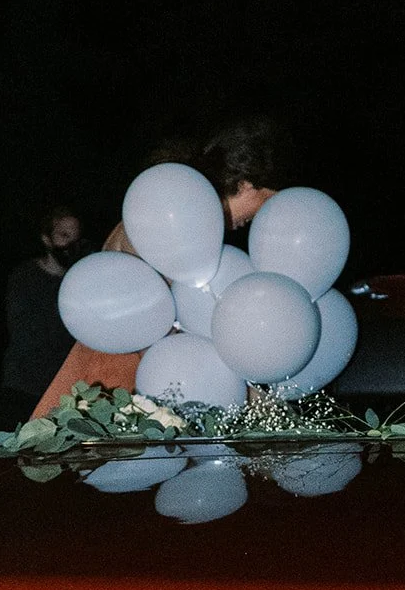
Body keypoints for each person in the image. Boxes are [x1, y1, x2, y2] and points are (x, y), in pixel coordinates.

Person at [28, 116, 297, 418]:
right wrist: (247, 395)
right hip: (125, 373)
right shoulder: (180, 221)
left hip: (142, 366)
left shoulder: (186, 216)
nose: (259, 216)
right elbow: (156, 326)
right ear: (246, 184)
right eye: (266, 199)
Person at [0, 206, 91, 431]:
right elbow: (25, 331)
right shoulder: (25, 277)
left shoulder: (83, 278)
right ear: (47, 239)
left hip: (68, 386)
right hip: (26, 386)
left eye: (76, 237)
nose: (71, 244)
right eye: (64, 236)